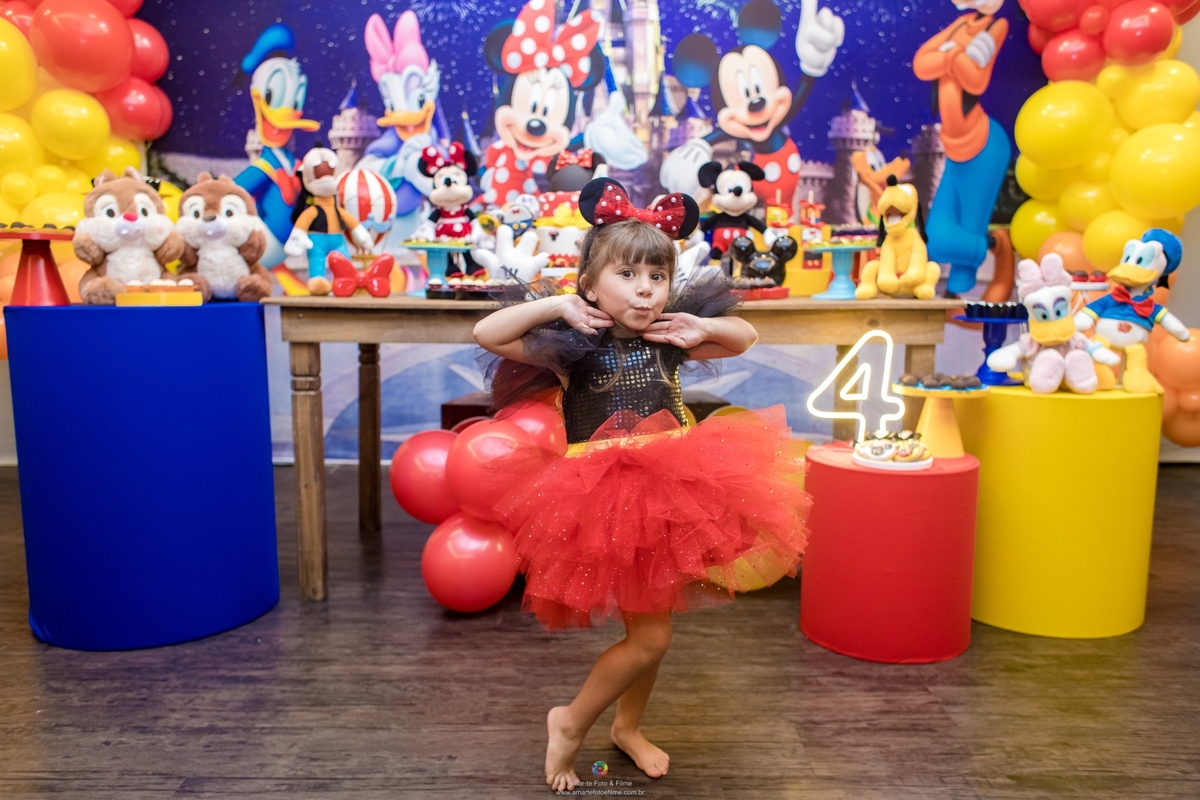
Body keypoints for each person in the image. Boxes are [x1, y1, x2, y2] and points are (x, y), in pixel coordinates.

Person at [473, 178, 811, 792]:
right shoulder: (571, 348)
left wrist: (694, 325)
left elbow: (746, 338)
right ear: (590, 285)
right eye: (627, 275)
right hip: (607, 500)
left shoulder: (670, 340)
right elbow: (487, 334)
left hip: (673, 494)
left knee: (652, 631)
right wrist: (556, 306)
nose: (645, 289)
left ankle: (627, 727)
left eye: (657, 276)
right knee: (652, 637)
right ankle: (569, 721)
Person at [913, 0, 1014, 297]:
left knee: (969, 227)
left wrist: (949, 54)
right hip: (955, 149)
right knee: (935, 238)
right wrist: (958, 58)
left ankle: (956, 298)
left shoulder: (996, 25)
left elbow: (976, 80)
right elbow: (921, 63)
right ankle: (993, 244)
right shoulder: (962, 23)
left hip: (984, 146)